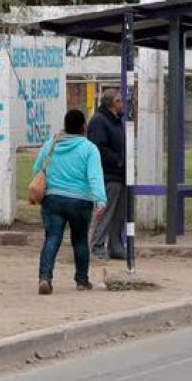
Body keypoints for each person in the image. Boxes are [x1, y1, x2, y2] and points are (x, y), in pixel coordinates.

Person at [34, 109, 106, 295]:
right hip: (80, 201)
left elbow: (37, 169)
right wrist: (100, 201)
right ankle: (81, 281)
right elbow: (95, 177)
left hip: (53, 199)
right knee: (80, 240)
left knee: (52, 238)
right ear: (83, 126)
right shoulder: (89, 148)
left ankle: (45, 278)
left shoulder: (51, 144)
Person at [88, 89, 128, 260]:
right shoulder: (99, 121)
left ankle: (116, 246)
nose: (122, 104)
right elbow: (98, 148)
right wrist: (118, 160)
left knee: (119, 212)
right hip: (108, 174)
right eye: (119, 101)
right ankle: (97, 244)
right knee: (105, 211)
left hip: (120, 174)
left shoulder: (116, 121)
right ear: (112, 104)